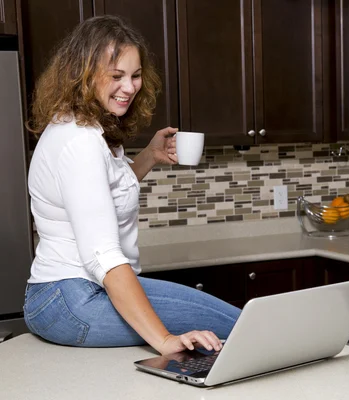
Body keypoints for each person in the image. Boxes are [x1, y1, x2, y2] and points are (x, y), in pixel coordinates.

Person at [23, 15, 241, 356]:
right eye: (116, 76)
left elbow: (102, 194)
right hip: (73, 299)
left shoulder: (81, 127)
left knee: (235, 321)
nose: (129, 87)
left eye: (136, 75)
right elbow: (104, 259)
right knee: (240, 325)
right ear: (83, 73)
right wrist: (165, 341)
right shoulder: (80, 143)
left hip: (66, 295)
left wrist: (150, 156)